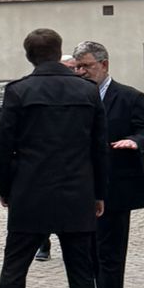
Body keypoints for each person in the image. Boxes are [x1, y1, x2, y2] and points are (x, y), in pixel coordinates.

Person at [0, 26, 107, 288]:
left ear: (29, 55)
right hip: (77, 192)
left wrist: (6, 189)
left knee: (14, 271)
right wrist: (98, 192)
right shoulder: (87, 90)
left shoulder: (19, 91)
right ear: (59, 50)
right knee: (81, 273)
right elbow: (98, 147)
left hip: (30, 193)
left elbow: (4, 147)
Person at [73, 41, 144, 288]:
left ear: (104, 65)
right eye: (78, 67)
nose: (81, 72)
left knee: (109, 257)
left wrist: (135, 142)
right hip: (84, 188)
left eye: (87, 66)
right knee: (92, 257)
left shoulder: (130, 97)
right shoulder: (76, 96)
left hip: (116, 189)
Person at [34, 54, 82, 264]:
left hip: (74, 162)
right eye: (67, 68)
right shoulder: (42, 90)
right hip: (45, 161)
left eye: (74, 68)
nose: (71, 72)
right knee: (44, 208)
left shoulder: (84, 91)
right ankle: (43, 244)